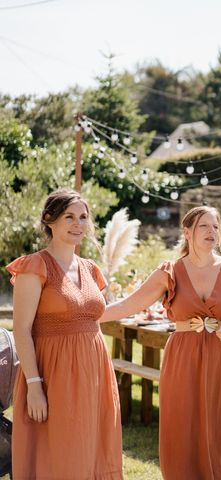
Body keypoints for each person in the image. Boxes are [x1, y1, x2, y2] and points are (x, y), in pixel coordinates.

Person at [99, 205, 221, 480]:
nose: (212, 232)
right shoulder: (169, 273)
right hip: (183, 359)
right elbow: (130, 304)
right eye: (204, 226)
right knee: (185, 426)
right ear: (187, 232)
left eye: (215, 226)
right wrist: (88, 317)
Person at [7, 189, 123, 479]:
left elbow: (99, 315)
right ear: (50, 220)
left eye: (83, 217)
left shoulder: (91, 269)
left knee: (93, 449)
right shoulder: (34, 266)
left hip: (94, 372)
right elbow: (21, 329)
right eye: (69, 217)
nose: (78, 224)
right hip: (53, 373)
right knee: (60, 451)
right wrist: (34, 386)